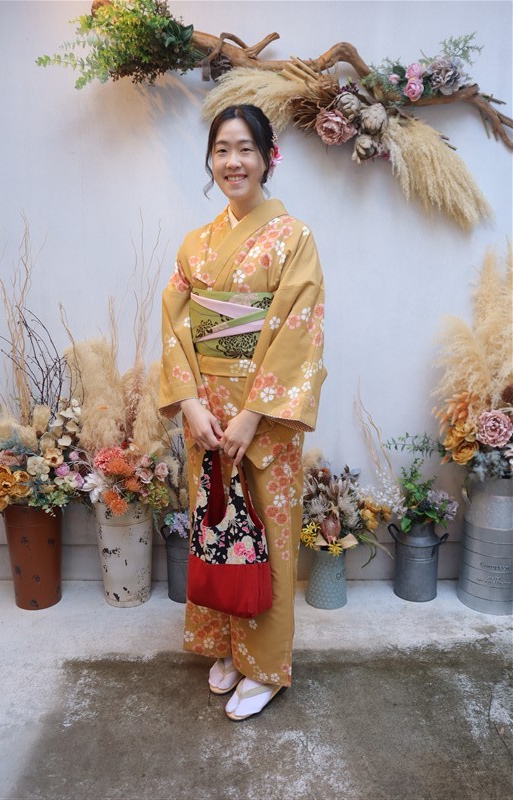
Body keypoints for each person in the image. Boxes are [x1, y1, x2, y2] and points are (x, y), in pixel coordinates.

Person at [159, 104, 326, 721]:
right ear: (211, 159)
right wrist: (191, 404)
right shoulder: (195, 245)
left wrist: (253, 415)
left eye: (246, 149)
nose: (234, 162)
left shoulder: (293, 238)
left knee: (266, 536)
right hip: (207, 414)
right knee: (219, 526)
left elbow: (299, 333)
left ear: (268, 156)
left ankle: (265, 665)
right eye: (222, 150)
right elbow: (175, 326)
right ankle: (226, 645)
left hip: (264, 419)